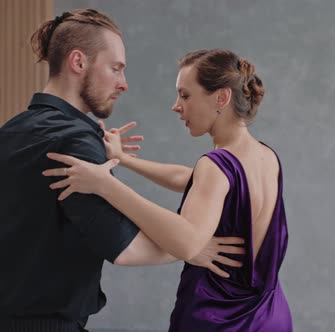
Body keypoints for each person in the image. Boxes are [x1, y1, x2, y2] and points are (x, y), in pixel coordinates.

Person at [0, 10, 243, 332]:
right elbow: (127, 249)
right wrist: (193, 246)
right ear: (78, 62)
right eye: (115, 68)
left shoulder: (11, 131)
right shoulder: (73, 141)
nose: (123, 84)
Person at [43, 49, 293, 331]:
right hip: (271, 316)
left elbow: (187, 243)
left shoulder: (216, 165)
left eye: (185, 95)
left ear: (221, 98)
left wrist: (106, 185)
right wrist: (124, 160)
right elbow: (191, 179)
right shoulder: (264, 156)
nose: (176, 105)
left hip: (219, 319)